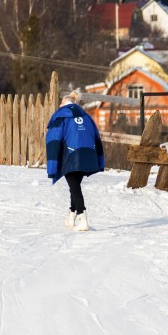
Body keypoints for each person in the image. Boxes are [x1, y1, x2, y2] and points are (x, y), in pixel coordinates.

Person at [45, 90, 104, 231]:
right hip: (87, 155)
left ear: (64, 103)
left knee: (74, 187)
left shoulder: (61, 117)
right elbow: (97, 138)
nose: (59, 106)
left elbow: (53, 142)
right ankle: (71, 216)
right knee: (75, 185)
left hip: (71, 155)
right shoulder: (87, 118)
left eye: (60, 103)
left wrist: (52, 166)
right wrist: (99, 160)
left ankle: (82, 217)